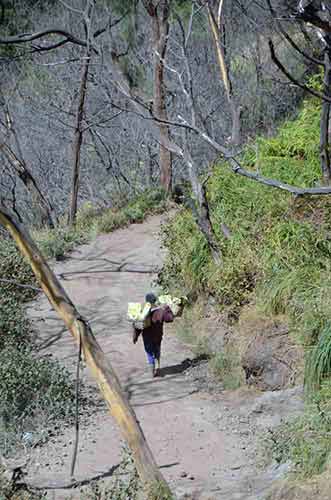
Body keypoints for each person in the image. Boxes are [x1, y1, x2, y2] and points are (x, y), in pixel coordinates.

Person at [133, 292, 174, 377]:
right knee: (157, 351)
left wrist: (135, 337)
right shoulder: (161, 311)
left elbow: (138, 326)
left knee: (149, 352)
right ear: (155, 301)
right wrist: (168, 309)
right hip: (158, 336)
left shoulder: (143, 311)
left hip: (147, 337)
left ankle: (152, 369)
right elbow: (170, 319)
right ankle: (158, 368)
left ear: (146, 301)